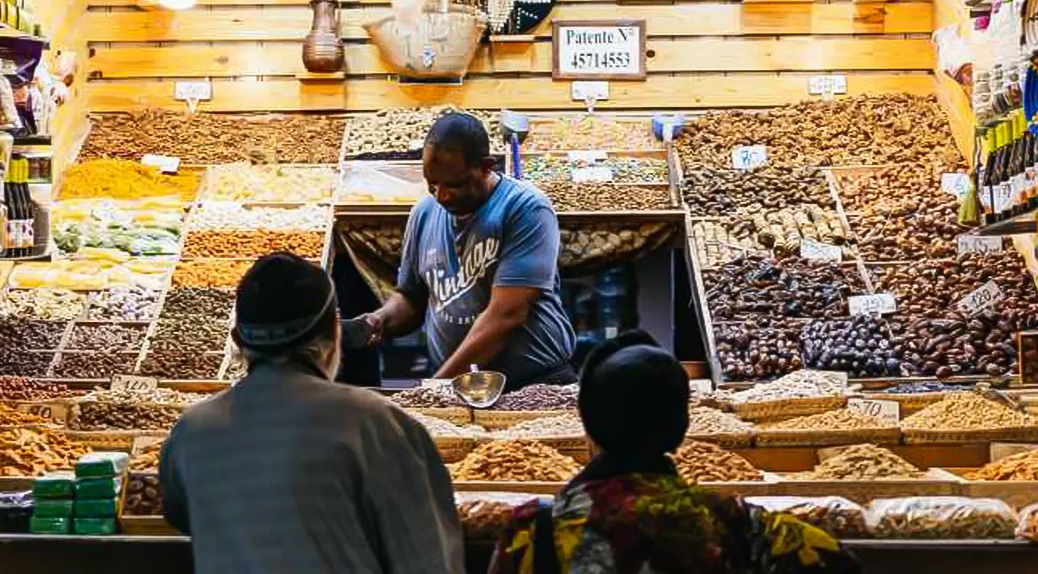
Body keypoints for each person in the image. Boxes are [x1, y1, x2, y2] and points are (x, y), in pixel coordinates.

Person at [160, 253, 464, 574]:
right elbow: (429, 557)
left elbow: (181, 516)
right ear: (335, 333)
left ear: (237, 340)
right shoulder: (376, 423)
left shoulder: (191, 431)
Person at [489, 331, 860, 574]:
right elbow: (842, 564)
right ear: (682, 428)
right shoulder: (735, 523)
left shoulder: (535, 529)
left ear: (586, 425)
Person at [353, 112, 576, 387]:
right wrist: (382, 318)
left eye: (454, 185)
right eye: (432, 183)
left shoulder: (525, 208)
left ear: (485, 167)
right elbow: (411, 296)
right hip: (461, 387)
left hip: (533, 383)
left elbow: (507, 315)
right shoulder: (424, 212)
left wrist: (438, 387)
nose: (441, 195)